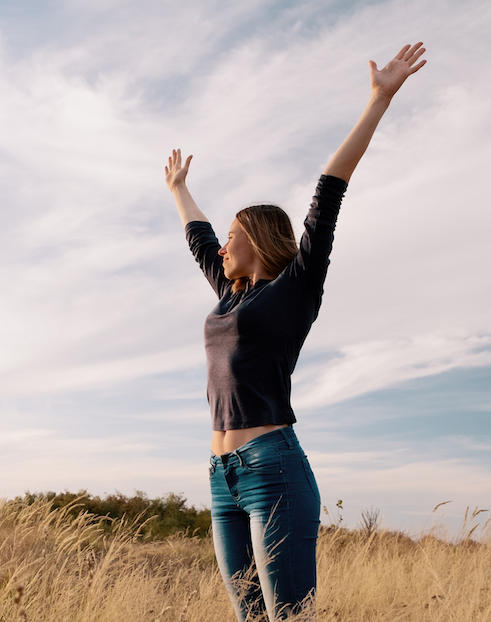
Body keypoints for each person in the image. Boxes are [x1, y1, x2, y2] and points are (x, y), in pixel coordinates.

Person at [163, 42, 427, 621]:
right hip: (222, 475)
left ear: (255, 239)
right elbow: (200, 240)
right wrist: (179, 190)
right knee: (248, 617)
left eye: (233, 236)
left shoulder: (293, 291)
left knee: (288, 620)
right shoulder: (229, 296)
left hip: (272, 467)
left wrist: (379, 100)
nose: (222, 247)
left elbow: (328, 193)